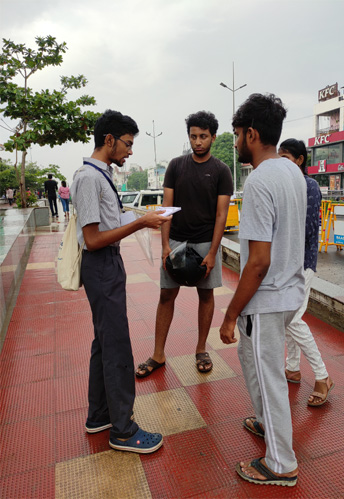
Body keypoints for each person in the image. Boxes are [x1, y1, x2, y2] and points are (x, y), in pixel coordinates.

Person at [70, 109, 172, 454]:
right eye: (127, 144)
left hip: (106, 264)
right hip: (101, 263)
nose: (130, 151)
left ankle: (99, 415)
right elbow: (94, 238)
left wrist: (138, 217)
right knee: (116, 346)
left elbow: (106, 225)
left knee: (104, 342)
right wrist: (141, 225)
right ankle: (124, 432)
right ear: (108, 140)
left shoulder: (101, 175)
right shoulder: (89, 177)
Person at [219, 94, 306, 487]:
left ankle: (280, 464)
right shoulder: (292, 173)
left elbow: (257, 262)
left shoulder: (258, 181)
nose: (236, 142)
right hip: (291, 292)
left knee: (268, 374)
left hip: (267, 298)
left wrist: (231, 313)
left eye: (237, 135)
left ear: (251, 134)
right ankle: (266, 421)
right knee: (254, 362)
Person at [136, 111, 233, 377]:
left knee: (206, 295)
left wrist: (213, 253)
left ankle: (201, 349)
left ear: (213, 137)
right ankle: (158, 353)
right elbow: (167, 208)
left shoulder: (221, 171)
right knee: (166, 295)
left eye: (203, 136)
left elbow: (221, 216)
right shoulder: (176, 166)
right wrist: (165, 246)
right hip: (176, 240)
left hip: (205, 243)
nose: (198, 141)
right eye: (193, 136)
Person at [278, 139, 334, 406]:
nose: (281, 162)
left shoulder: (308, 186)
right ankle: (292, 368)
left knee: (292, 318)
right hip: (288, 263)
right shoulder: (287, 185)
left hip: (302, 263)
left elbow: (307, 230)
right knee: (290, 316)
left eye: (286, 157)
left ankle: (323, 376)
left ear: (300, 160)